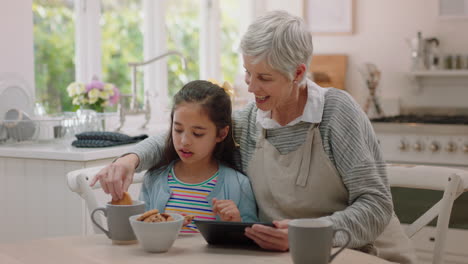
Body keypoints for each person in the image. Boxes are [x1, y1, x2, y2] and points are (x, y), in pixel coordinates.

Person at [91, 10, 416, 263]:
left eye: (264, 77)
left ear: (299, 73)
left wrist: (307, 234)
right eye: (247, 72)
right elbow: (189, 132)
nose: (250, 85)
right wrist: (130, 159)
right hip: (280, 258)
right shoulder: (249, 120)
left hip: (354, 255)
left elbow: (376, 206)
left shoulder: (336, 113)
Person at [135, 80, 257, 233]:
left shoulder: (239, 185)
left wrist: (236, 223)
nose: (184, 141)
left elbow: (251, 244)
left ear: (221, 134)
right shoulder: (153, 179)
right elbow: (140, 233)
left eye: (197, 133)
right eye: (178, 130)